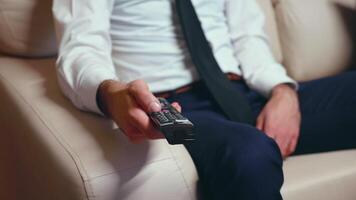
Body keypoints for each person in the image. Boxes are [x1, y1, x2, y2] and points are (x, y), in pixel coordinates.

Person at [53, 0, 356, 199]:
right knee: (250, 152)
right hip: (173, 107)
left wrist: (283, 91)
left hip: (242, 91)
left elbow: (248, 38)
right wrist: (112, 93)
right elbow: (81, 49)